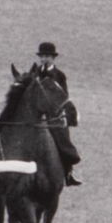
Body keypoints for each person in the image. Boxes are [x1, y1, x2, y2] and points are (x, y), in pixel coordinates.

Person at [30, 42, 82, 186]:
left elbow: (64, 96)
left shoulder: (59, 75)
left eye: (47, 56)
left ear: (53, 58)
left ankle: (68, 172)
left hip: (53, 115)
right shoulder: (35, 72)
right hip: (37, 112)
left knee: (62, 138)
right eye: (42, 56)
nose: (44, 59)